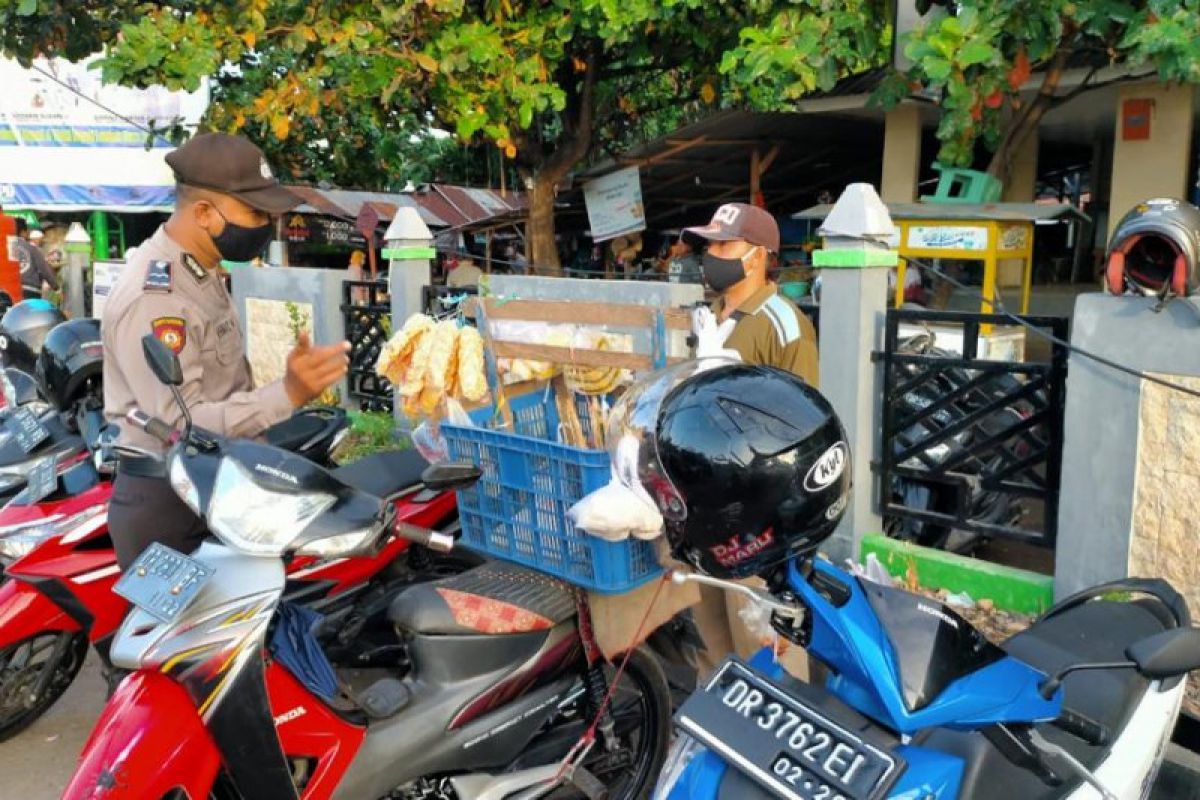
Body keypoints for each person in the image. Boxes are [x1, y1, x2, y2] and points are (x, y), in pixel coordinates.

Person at [103, 132, 350, 569]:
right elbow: (180, 425)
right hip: (174, 506)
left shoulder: (199, 272)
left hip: (211, 488)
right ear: (204, 213)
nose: (265, 224)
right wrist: (286, 394)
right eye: (255, 212)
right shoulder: (158, 296)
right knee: (191, 640)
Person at [684, 202, 818, 386]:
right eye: (709, 245)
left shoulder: (787, 327)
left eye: (723, 244)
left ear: (757, 257)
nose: (711, 253)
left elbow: (801, 409)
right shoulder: (708, 318)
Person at [12, 219, 58, 300]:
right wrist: (56, 288)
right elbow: (45, 269)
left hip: (10, 291)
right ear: (23, 232)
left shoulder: (4, 248)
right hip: (31, 291)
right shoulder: (32, 249)